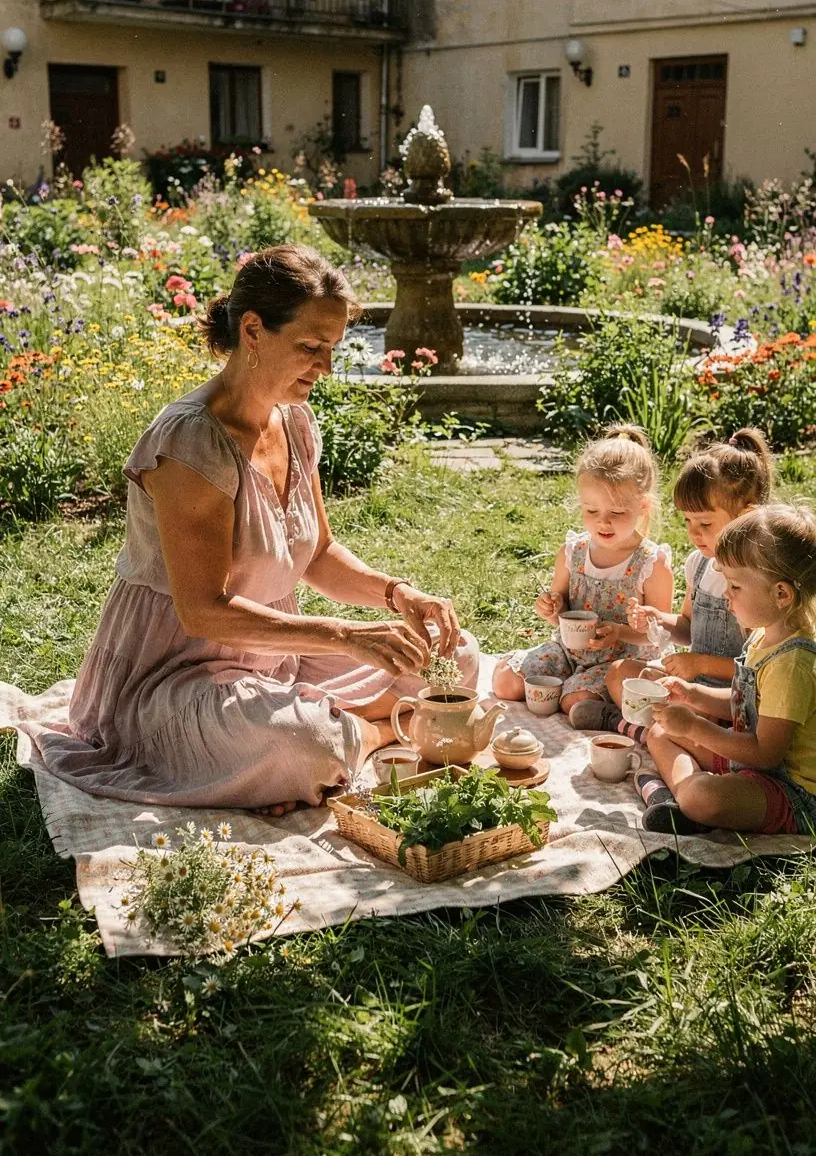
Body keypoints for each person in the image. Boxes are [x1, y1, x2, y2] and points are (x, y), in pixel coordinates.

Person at [23, 246, 478, 813]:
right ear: (254, 330)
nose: (326, 367)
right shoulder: (192, 441)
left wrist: (396, 593)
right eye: (311, 347)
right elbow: (203, 610)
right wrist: (347, 636)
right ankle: (370, 736)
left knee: (453, 656)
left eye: (333, 350)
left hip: (273, 660)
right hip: (171, 679)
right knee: (307, 746)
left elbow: (317, 553)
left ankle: (326, 740)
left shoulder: (294, 421)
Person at [639, 503, 816, 836]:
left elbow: (766, 754)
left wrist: (694, 728)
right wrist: (692, 695)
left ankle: (683, 799)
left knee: (703, 797)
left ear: (781, 594)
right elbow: (744, 704)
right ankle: (680, 799)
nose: (726, 595)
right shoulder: (765, 634)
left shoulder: (792, 663)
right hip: (748, 764)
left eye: (734, 586)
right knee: (661, 733)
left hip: (790, 789)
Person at [589, 427, 773, 740]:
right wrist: (657, 618)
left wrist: (699, 664)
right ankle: (652, 731)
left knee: (687, 712)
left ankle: (643, 731)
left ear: (746, 514)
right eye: (687, 521)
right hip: (690, 682)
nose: (694, 532)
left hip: (733, 696)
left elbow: (762, 671)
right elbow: (687, 627)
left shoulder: (757, 578)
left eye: (705, 523)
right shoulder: (699, 564)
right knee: (621, 671)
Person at [492, 426, 673, 722]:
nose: (603, 522)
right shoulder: (572, 552)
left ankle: (581, 696)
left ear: (643, 506)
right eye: (591, 511)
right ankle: (564, 685)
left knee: (575, 703)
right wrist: (551, 608)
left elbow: (658, 635)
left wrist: (619, 633)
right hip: (567, 652)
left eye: (616, 513)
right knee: (506, 682)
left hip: (618, 662)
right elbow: (559, 609)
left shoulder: (651, 564)